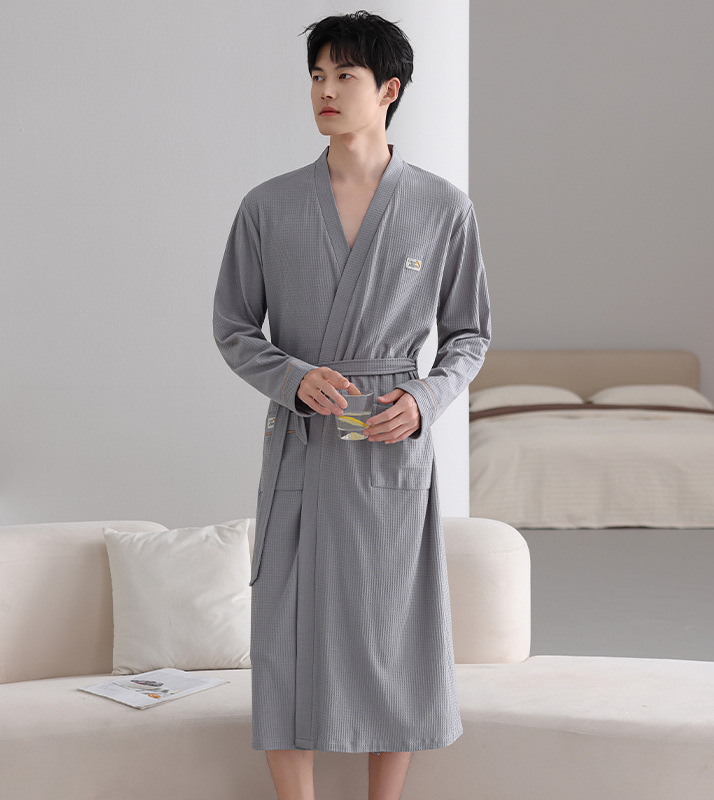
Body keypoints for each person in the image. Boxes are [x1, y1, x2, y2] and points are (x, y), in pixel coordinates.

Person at [213, 10, 491, 799]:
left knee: (390, 633)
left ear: (388, 90)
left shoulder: (442, 208)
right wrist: (291, 377)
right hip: (302, 444)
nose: (325, 90)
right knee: (285, 634)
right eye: (317, 75)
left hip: (387, 448)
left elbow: (470, 334)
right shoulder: (268, 207)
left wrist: (424, 398)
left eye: (345, 75)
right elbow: (233, 327)